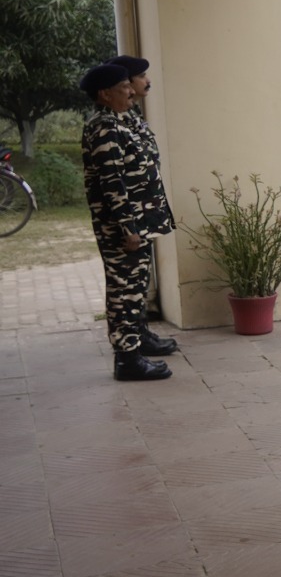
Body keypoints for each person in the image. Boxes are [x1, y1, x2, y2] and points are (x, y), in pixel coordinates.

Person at [78, 62, 177, 381]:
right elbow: (112, 182)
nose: (131, 92)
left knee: (134, 287)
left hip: (138, 220)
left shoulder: (118, 120)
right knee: (124, 290)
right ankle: (127, 359)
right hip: (123, 227)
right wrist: (128, 227)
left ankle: (134, 345)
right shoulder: (104, 127)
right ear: (105, 94)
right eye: (124, 87)